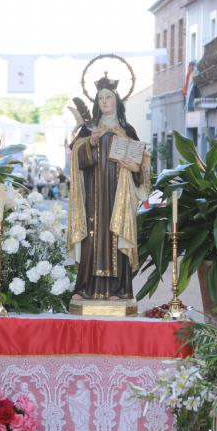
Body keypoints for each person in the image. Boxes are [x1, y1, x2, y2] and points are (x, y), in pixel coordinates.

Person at [67, 74, 150, 301]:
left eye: (108, 97)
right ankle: (84, 288)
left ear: (116, 101)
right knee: (91, 236)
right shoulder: (88, 130)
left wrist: (133, 167)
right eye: (100, 98)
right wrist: (91, 143)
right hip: (94, 194)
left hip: (118, 195)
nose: (104, 101)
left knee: (116, 233)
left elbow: (141, 164)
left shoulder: (128, 130)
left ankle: (118, 289)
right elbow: (76, 159)